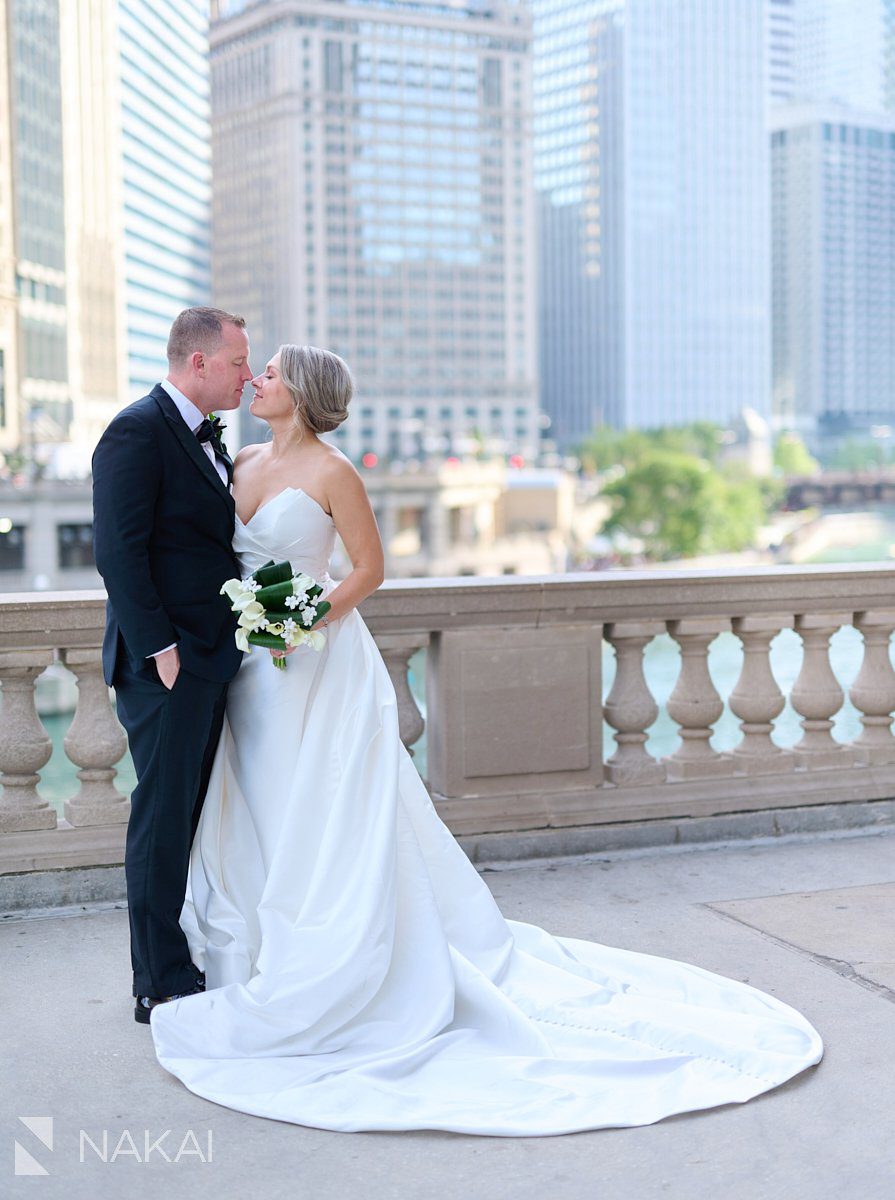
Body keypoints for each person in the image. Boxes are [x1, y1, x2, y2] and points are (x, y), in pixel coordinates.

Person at [148, 345, 823, 1135]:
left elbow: (368, 570)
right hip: (251, 675)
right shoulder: (243, 459)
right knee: (259, 800)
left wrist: (303, 620)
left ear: (299, 392)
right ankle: (257, 951)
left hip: (318, 667)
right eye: (252, 370)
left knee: (323, 808)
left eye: (268, 373)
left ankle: (336, 964)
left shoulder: (335, 473)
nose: (254, 380)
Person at [92, 307, 253, 1024]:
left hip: (211, 656)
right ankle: (157, 980)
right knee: (159, 822)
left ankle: (176, 957)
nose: (247, 375)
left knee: (185, 816)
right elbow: (118, 554)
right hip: (167, 664)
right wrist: (161, 652)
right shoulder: (135, 430)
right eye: (239, 362)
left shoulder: (209, 438)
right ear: (198, 363)